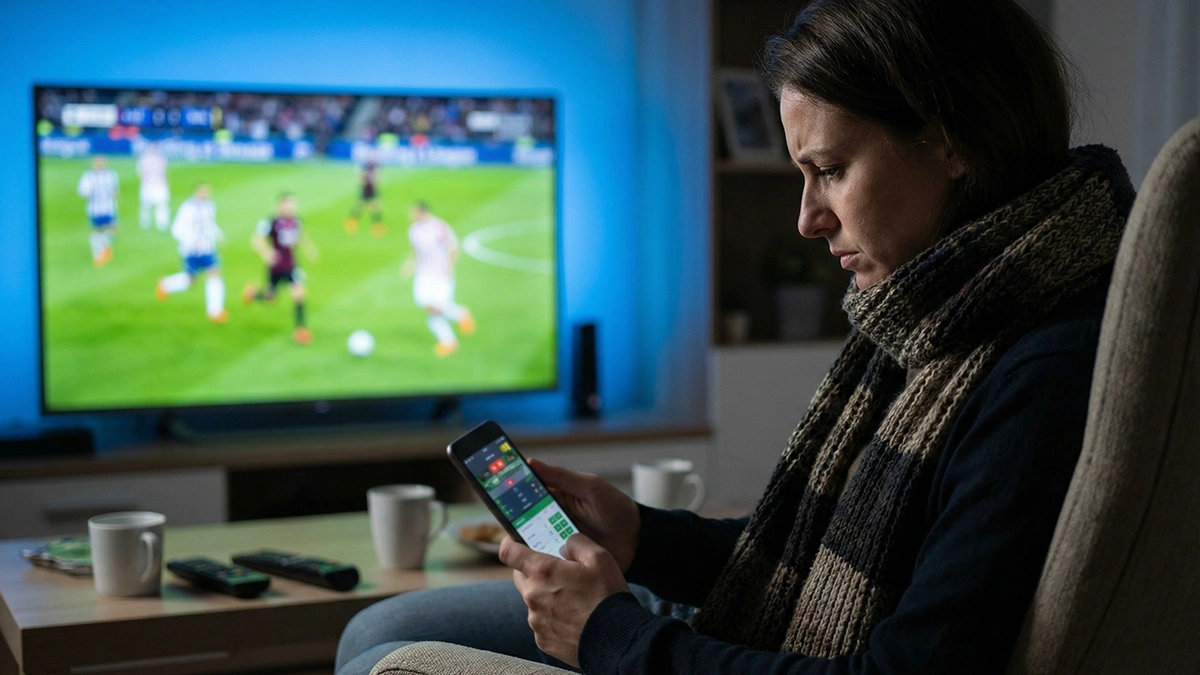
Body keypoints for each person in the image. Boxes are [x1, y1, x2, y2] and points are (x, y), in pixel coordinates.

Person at [335, 0, 1136, 673]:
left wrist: (612, 633)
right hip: (739, 631)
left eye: (828, 168)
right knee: (374, 628)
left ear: (951, 141)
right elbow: (816, 557)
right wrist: (645, 534)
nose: (807, 217)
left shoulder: (1040, 369)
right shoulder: (942, 310)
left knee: (383, 653)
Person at [400, 201, 475, 357]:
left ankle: (457, 323)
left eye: (413, 211)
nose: (411, 215)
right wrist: (409, 265)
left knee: (438, 307)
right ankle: (452, 333)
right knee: (426, 305)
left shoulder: (440, 227)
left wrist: (450, 267)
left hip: (440, 274)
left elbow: (453, 247)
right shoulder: (413, 230)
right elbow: (416, 252)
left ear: (421, 211)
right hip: (423, 275)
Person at [243, 192, 320, 344]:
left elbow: (299, 237)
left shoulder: (296, 221)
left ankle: (301, 330)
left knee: (299, 294)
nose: (290, 207)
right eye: (287, 204)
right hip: (276, 267)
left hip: (292, 265)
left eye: (292, 203)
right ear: (280, 205)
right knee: (270, 298)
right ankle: (253, 294)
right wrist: (267, 252)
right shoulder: (271, 222)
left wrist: (310, 250)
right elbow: (256, 239)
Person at [156, 183, 228, 323]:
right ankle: (165, 284)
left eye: (206, 191)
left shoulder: (209, 206)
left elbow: (209, 224)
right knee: (190, 280)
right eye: (202, 191)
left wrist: (219, 235)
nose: (205, 194)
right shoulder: (187, 208)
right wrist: (190, 240)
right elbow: (176, 228)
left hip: (208, 249)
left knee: (214, 273)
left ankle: (215, 311)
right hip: (191, 250)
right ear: (195, 192)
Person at [76, 155, 119, 266]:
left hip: (109, 207)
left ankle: (103, 249)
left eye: (102, 161)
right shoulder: (88, 176)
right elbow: (83, 192)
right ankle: (97, 254)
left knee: (112, 230)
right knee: (97, 231)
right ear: (94, 163)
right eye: (98, 162)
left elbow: (115, 190)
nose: (100, 163)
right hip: (95, 209)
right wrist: (89, 193)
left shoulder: (111, 175)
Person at [345, 160, 385, 237]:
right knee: (359, 208)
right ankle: (351, 224)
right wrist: (366, 177)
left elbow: (379, 181)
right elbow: (359, 179)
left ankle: (377, 228)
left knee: (376, 210)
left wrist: (374, 179)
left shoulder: (376, 169)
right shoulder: (364, 169)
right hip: (365, 192)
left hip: (373, 192)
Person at [137, 142, 170, 231]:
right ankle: (148, 224)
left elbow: (163, 172)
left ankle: (161, 224)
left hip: (156, 184)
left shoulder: (157, 157)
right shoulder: (146, 158)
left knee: (160, 205)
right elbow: (142, 174)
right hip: (151, 185)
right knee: (147, 206)